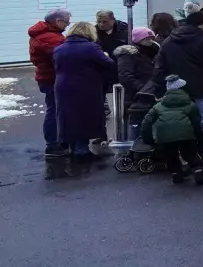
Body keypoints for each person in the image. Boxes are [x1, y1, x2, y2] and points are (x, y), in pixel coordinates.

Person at [152, 4, 203, 170]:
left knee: (185, 123)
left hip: (178, 90)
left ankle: (190, 157)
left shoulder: (169, 41)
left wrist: (164, 86)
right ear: (201, 24)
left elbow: (159, 67)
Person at [52, 21, 116, 164]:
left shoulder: (59, 48)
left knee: (69, 117)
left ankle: (74, 148)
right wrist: (105, 55)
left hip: (62, 86)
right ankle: (82, 150)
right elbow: (109, 63)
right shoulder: (91, 47)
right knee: (84, 117)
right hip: (85, 87)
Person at [140, 74, 203, 184]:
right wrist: (199, 139)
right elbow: (196, 124)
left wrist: (148, 139)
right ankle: (198, 172)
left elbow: (146, 123)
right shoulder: (190, 105)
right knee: (190, 153)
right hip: (186, 134)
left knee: (170, 155)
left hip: (164, 135)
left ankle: (176, 174)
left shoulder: (158, 106)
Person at [28, 9, 71, 157]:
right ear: (57, 21)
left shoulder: (46, 34)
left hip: (49, 77)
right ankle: (53, 144)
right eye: (66, 22)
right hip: (52, 78)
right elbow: (65, 54)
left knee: (56, 110)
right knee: (54, 111)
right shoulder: (50, 37)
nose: (67, 25)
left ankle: (58, 141)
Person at [115, 27, 160, 132]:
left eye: (151, 38)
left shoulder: (155, 52)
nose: (150, 41)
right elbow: (125, 76)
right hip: (136, 96)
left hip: (153, 94)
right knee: (138, 124)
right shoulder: (128, 54)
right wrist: (143, 89)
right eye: (146, 38)